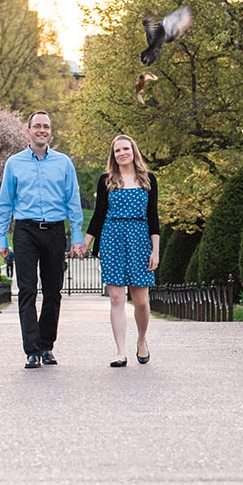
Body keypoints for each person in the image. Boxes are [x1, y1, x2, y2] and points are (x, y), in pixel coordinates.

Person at [0, 111, 87, 368]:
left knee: (53, 291)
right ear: (28, 131)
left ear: (50, 132)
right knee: (27, 290)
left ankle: (47, 346)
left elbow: (73, 200)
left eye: (46, 126)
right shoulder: (14, 163)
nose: (42, 130)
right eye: (37, 126)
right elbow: (5, 202)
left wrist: (76, 236)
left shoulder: (64, 163)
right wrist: (2, 237)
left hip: (55, 231)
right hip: (25, 231)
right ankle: (31, 350)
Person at [85, 133, 161, 367]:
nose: (122, 153)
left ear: (133, 151)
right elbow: (98, 215)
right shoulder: (106, 180)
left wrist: (155, 250)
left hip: (139, 239)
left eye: (125, 149)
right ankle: (120, 351)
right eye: (117, 150)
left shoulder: (148, 180)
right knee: (116, 298)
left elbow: (153, 217)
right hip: (112, 238)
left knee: (140, 300)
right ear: (113, 155)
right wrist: (84, 243)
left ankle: (141, 339)